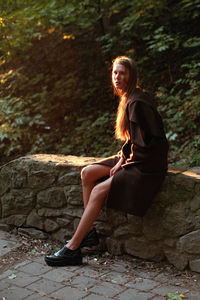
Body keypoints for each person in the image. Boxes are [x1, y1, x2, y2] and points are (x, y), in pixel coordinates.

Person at [45, 56, 169, 267]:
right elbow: (134, 140)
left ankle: (73, 248)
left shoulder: (138, 102)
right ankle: (90, 233)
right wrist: (122, 157)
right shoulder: (129, 98)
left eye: (122, 73)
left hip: (146, 165)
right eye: (114, 73)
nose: (117, 77)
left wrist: (123, 164)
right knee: (87, 173)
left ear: (132, 75)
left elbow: (149, 145)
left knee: (98, 191)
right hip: (133, 156)